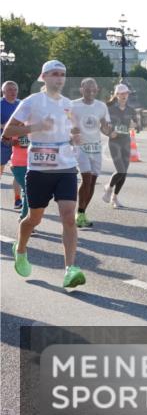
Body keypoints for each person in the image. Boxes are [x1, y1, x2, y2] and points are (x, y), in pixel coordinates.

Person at [2, 60, 86, 289]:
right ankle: (20, 248)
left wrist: (77, 137)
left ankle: (70, 269)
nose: (59, 78)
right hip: (39, 169)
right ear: (44, 77)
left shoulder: (69, 105)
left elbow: (75, 129)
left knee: (69, 217)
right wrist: (36, 127)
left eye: (63, 74)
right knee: (34, 219)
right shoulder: (31, 102)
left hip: (66, 168)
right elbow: (8, 131)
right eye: (55, 74)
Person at [71, 78, 112, 227]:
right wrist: (71, 131)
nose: (91, 92)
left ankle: (81, 212)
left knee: (93, 181)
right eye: (87, 89)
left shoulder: (101, 106)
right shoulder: (73, 105)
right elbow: (65, 122)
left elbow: (104, 127)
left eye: (93, 89)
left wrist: (113, 133)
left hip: (96, 147)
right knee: (86, 179)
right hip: (80, 146)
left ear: (97, 90)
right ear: (81, 89)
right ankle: (79, 214)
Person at [102, 83, 141, 208]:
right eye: (122, 93)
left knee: (124, 173)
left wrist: (137, 125)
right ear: (117, 95)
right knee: (120, 170)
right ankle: (109, 188)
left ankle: (115, 197)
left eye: (126, 93)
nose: (125, 95)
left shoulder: (131, 109)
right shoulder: (110, 109)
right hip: (114, 142)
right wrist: (109, 133)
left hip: (126, 141)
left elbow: (138, 125)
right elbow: (101, 126)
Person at [1, 80, 23, 209]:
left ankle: (17, 199)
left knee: (19, 173)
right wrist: (4, 126)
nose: (12, 92)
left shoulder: (21, 104)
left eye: (14, 89)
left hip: (19, 143)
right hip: (3, 142)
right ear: (3, 92)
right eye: (9, 89)